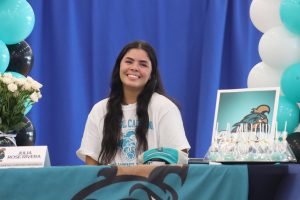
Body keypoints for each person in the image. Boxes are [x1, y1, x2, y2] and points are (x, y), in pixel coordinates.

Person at [76, 40, 190, 165]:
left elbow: (180, 159)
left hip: (153, 184)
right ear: (119, 66)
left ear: (152, 74)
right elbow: (91, 162)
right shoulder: (100, 110)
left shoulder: (165, 107)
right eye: (129, 62)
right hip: (111, 184)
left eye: (143, 64)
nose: (134, 68)